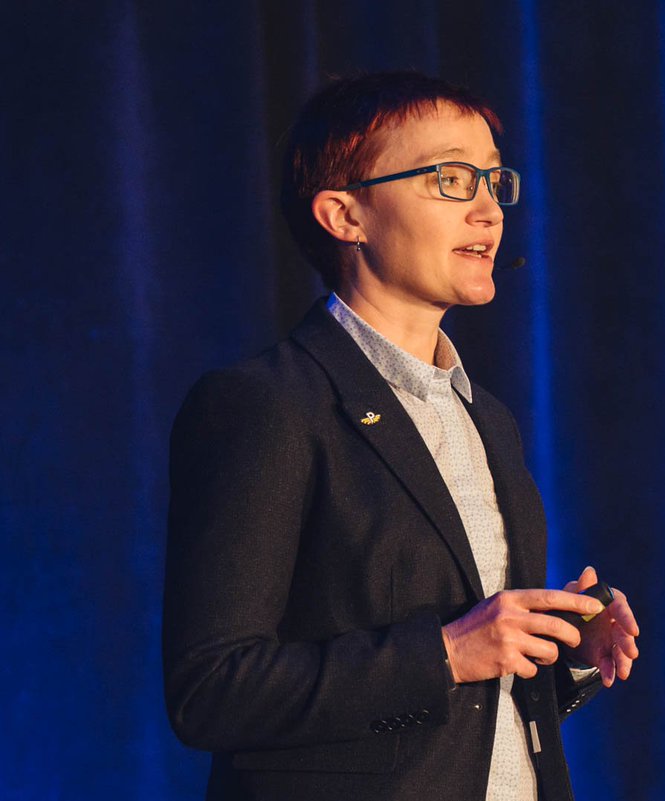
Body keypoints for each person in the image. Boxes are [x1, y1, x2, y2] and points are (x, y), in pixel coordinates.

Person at [162, 70, 639, 801]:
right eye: (451, 178)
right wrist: (447, 651)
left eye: (493, 179)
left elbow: (469, 712)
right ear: (343, 214)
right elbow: (212, 688)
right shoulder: (266, 405)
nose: (488, 210)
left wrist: (562, 648)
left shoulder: (487, 418)